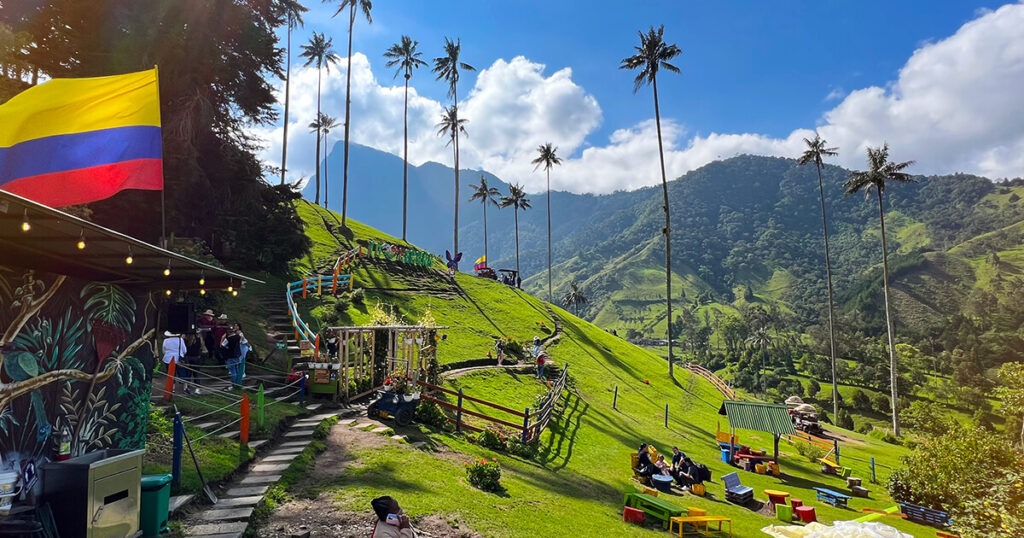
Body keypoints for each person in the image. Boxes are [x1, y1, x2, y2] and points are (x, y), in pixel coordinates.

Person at [221, 323, 246, 388]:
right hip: (237, 355)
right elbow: (242, 341)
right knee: (237, 370)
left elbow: (223, 345)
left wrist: (227, 348)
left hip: (230, 356)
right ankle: (238, 383)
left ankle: (234, 384)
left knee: (232, 371)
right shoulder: (238, 337)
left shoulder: (228, 339)